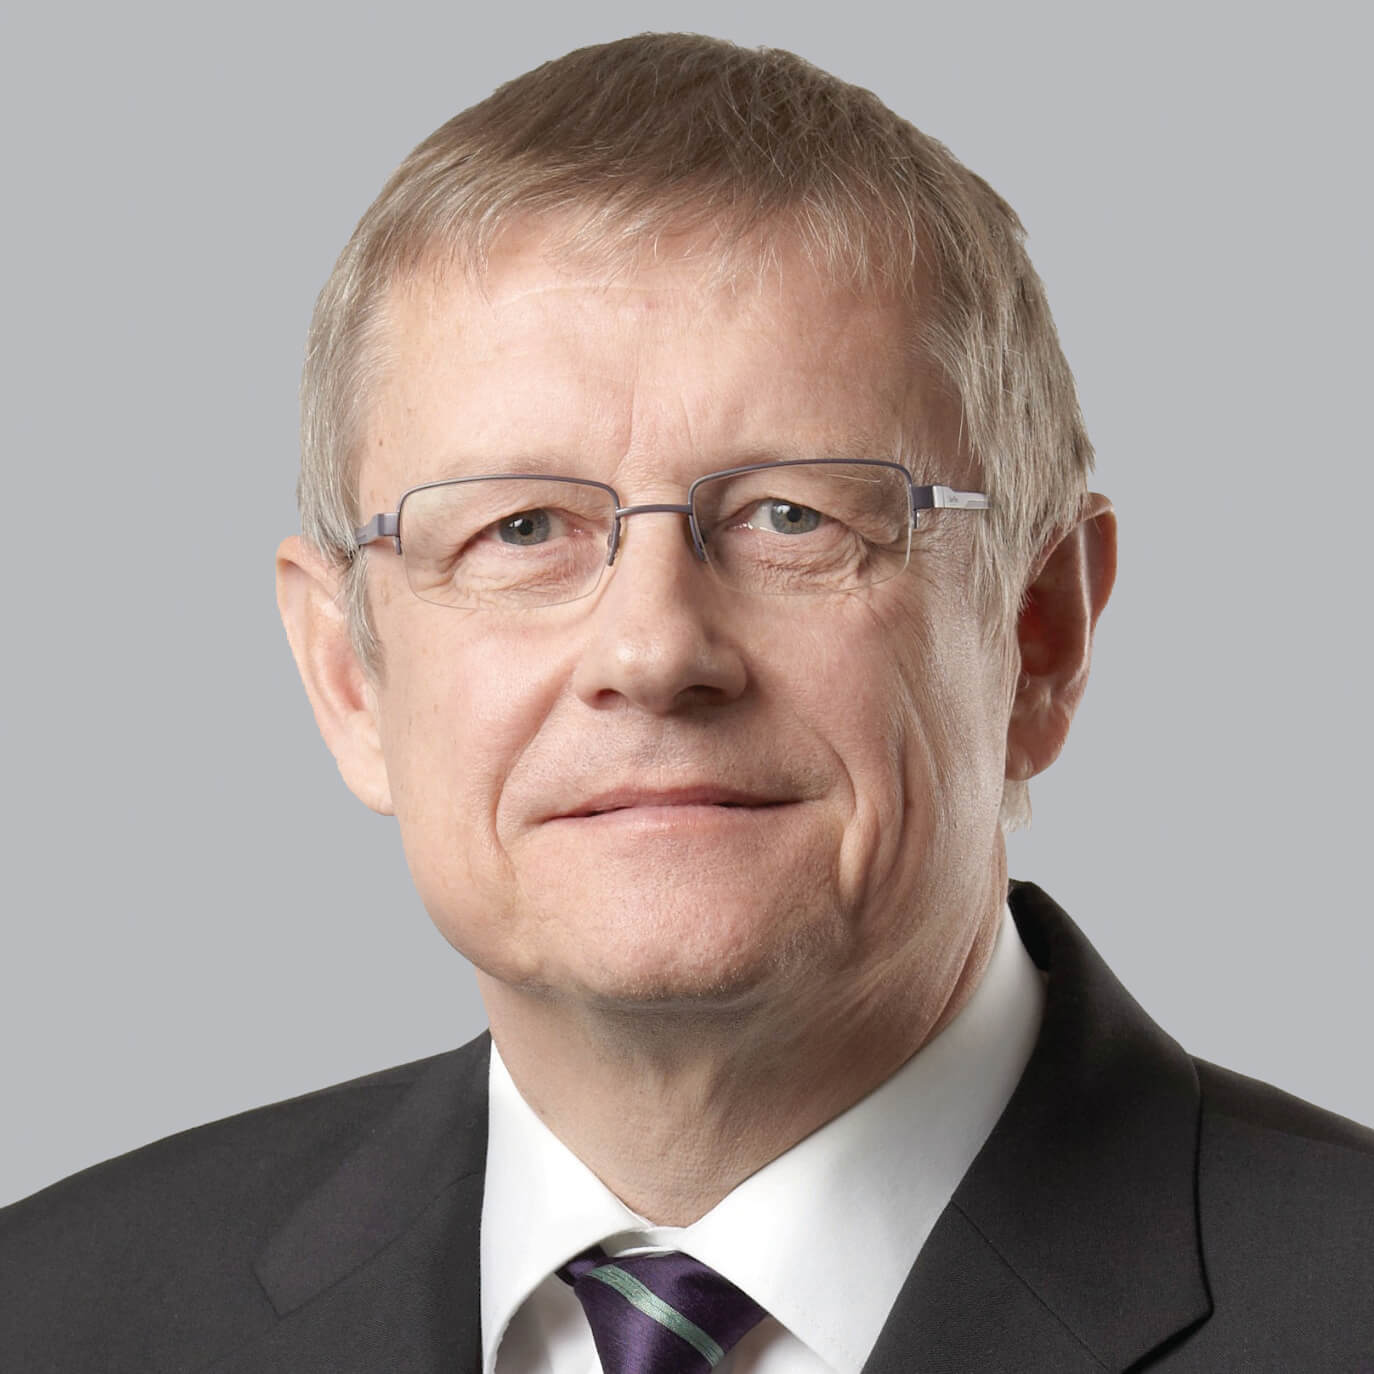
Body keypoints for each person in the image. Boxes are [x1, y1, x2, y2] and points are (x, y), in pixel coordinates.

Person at [2, 31, 1371, 1374]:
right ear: (349, 675)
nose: (654, 652)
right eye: (522, 529)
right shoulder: (52, 1317)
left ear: (1038, 630)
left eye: (793, 516)